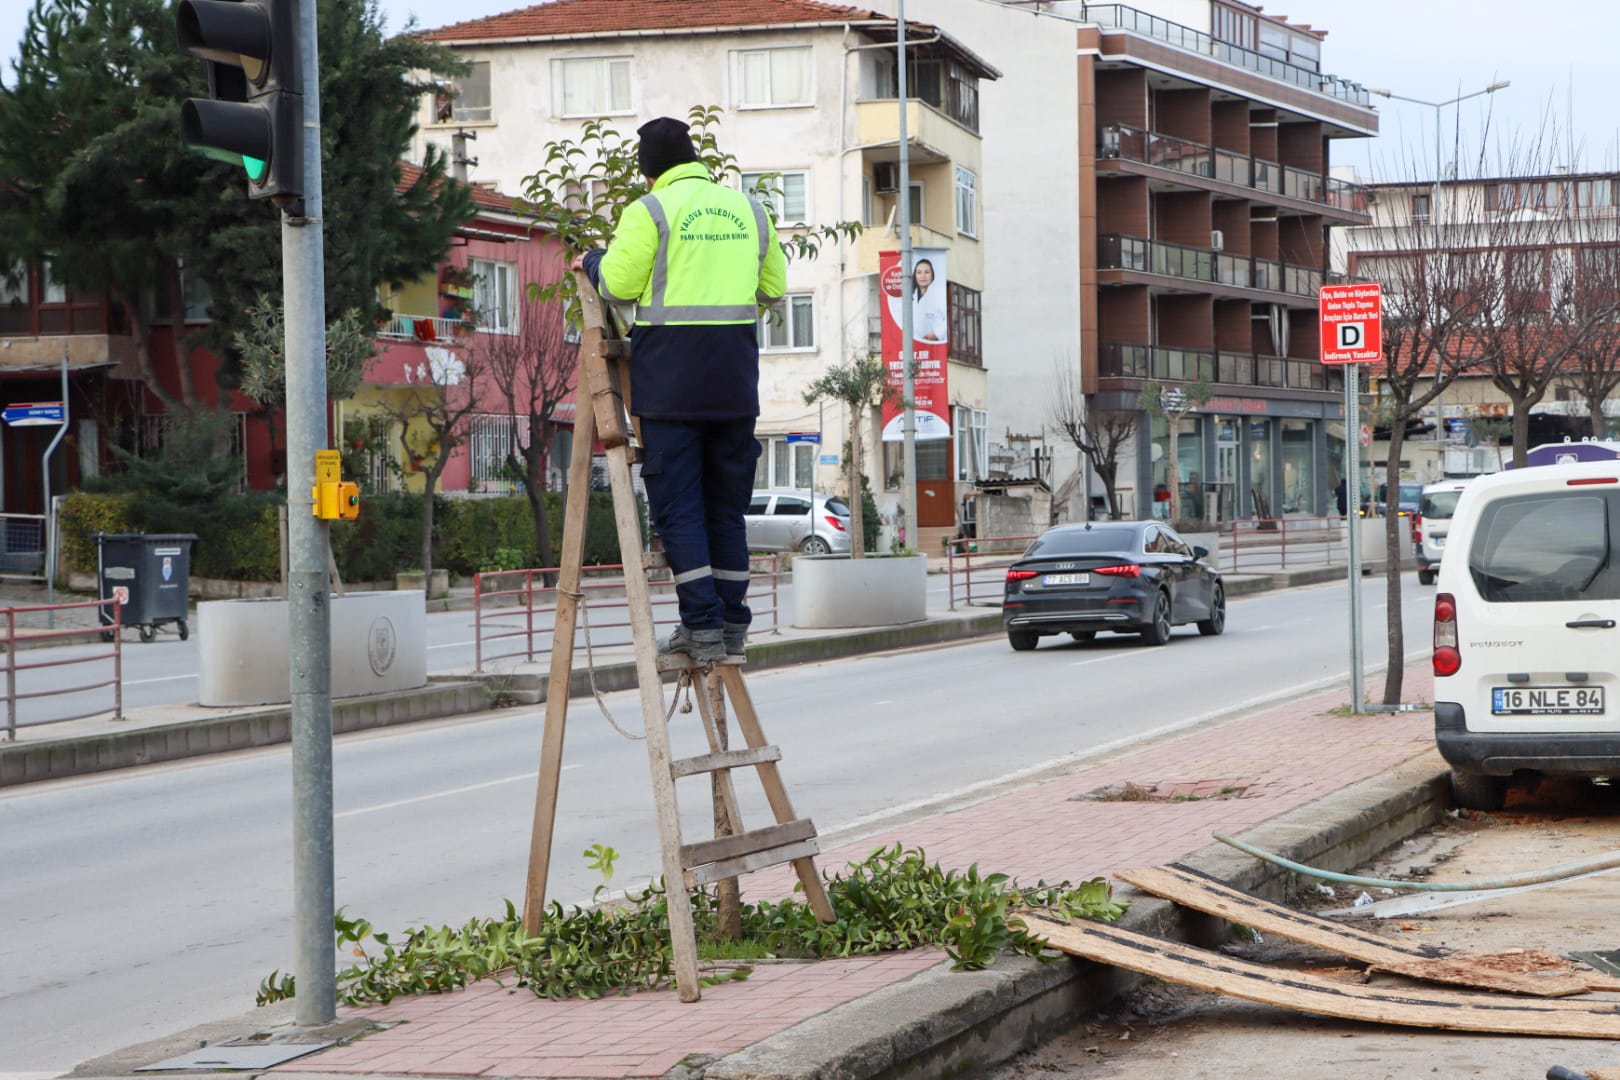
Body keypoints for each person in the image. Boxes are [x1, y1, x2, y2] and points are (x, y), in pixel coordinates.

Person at [573, 117, 786, 662]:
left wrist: (593, 261)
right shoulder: (749, 209)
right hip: (734, 382)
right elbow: (774, 290)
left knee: (680, 510)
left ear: (648, 170)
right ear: (695, 158)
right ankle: (734, 626)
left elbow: (618, 284)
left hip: (670, 384)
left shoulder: (649, 211)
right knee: (725, 510)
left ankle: (702, 629)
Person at [911, 258, 948, 344]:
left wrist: (937, 334)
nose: (923, 276)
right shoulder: (910, 296)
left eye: (927, 272)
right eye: (919, 272)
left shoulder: (940, 294)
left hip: (934, 346)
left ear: (932, 275)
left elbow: (949, 319)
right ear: (915, 276)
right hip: (914, 345)